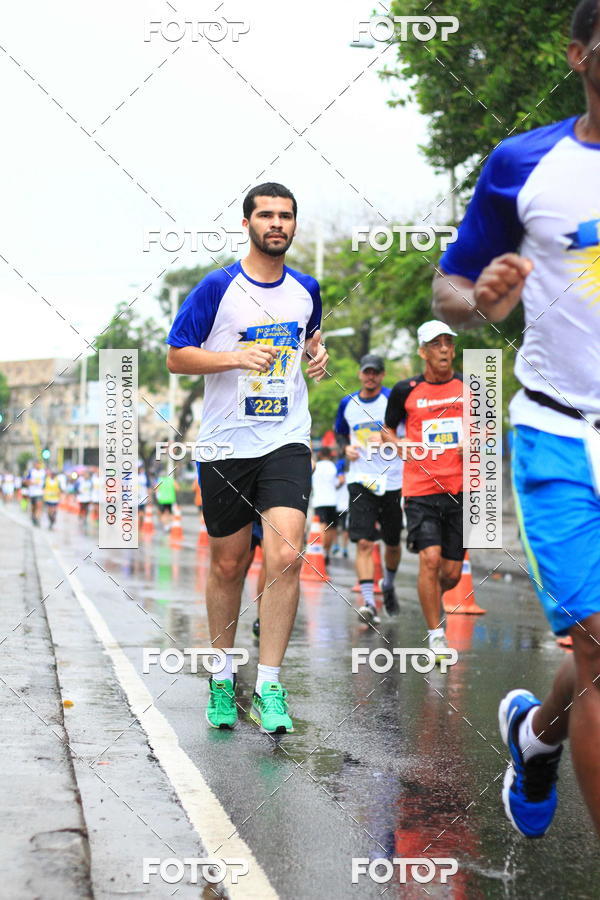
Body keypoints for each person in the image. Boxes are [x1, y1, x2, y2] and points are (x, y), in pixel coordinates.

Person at [431, 0, 600, 839]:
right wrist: (481, 303)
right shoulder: (523, 164)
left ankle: (536, 739)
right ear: (578, 56)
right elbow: (451, 290)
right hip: (560, 431)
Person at [166, 181, 327, 734]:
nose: (276, 223)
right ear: (247, 223)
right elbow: (175, 357)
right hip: (225, 444)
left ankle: (270, 685)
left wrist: (317, 354)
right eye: (266, 215)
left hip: (286, 439)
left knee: (285, 554)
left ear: (294, 226)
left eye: (286, 215)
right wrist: (234, 357)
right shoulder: (217, 288)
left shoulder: (307, 289)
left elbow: (310, 339)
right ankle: (219, 676)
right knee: (230, 564)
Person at [383, 322, 465, 661]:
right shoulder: (405, 390)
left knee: (451, 573)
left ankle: (431, 597)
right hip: (420, 489)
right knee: (429, 560)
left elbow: (487, 429)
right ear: (422, 351)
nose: (444, 349)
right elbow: (387, 429)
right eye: (436, 344)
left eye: (448, 342)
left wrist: (476, 443)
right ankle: (436, 635)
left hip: (462, 489)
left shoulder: (469, 385)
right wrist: (399, 444)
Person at [335, 353, 403, 625]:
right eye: (367, 372)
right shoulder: (347, 403)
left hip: (392, 480)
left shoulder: (393, 401)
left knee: (393, 543)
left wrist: (389, 437)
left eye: (376, 372)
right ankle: (368, 602)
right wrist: (345, 449)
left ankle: (388, 583)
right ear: (360, 374)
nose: (370, 376)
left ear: (382, 375)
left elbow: (410, 434)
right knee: (363, 541)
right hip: (360, 479)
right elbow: (340, 432)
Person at [310, 447, 340, 565]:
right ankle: (327, 551)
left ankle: (321, 550)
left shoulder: (315, 466)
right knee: (331, 528)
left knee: (321, 526)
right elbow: (336, 483)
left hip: (319, 500)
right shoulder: (333, 467)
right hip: (332, 500)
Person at [333, 456, 350, 558]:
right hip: (345, 506)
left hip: (338, 505)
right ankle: (344, 548)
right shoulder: (349, 476)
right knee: (344, 528)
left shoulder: (336, 477)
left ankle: (337, 546)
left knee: (335, 527)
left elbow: (333, 487)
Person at [26, 460, 45, 526]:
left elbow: (45, 482)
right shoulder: (31, 472)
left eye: (39, 464)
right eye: (37, 464)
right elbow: (26, 481)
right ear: (34, 465)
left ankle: (37, 519)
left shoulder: (43, 472)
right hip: (32, 492)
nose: (38, 465)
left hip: (40, 492)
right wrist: (32, 483)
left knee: (39, 506)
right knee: (34, 507)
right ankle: (33, 516)